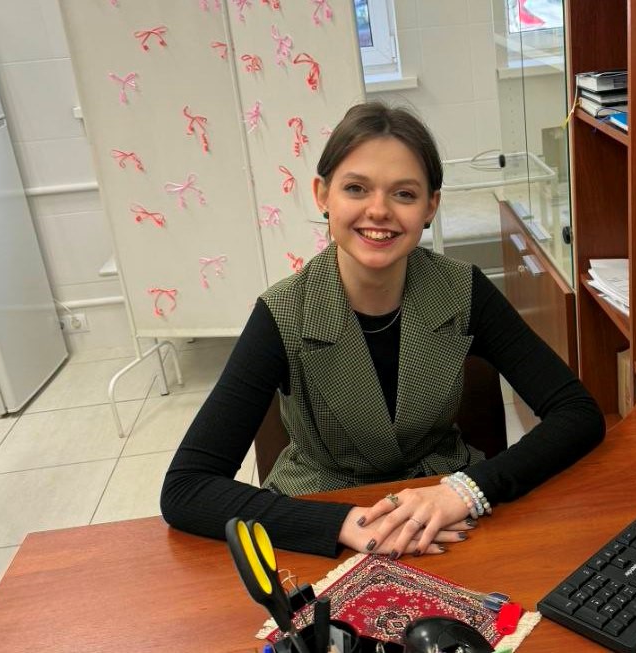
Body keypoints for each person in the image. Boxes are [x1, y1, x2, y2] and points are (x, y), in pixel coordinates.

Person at [161, 101, 605, 559]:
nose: (379, 211)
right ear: (322, 195)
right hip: (326, 523)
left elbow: (577, 413)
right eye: (356, 188)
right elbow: (185, 487)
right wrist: (340, 523)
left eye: (404, 194)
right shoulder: (284, 312)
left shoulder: (464, 290)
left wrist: (466, 491)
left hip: (446, 517)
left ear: (431, 206)